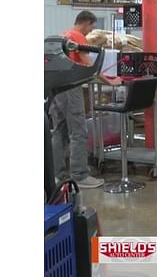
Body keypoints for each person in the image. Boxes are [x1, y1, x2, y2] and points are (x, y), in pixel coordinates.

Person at [50, 11, 120, 189]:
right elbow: (89, 63)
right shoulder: (77, 36)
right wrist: (110, 80)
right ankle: (80, 175)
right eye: (91, 27)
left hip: (55, 89)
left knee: (59, 132)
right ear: (86, 23)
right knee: (79, 131)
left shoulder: (62, 36)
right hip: (69, 88)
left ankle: (59, 174)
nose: (90, 32)